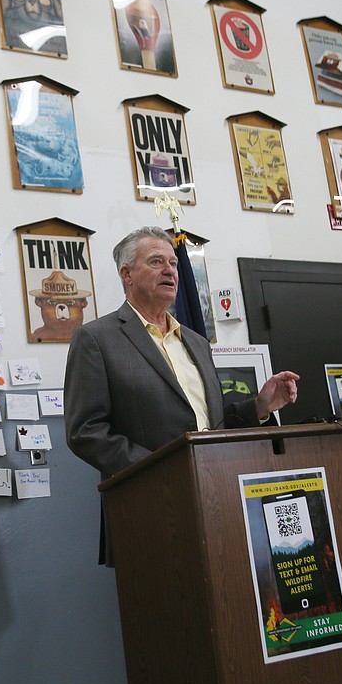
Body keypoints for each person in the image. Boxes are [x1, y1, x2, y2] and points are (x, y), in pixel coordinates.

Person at [64, 227, 299, 562]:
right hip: (150, 510)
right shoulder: (97, 339)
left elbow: (209, 420)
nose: (170, 270)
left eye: (173, 262)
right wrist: (163, 470)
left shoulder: (196, 342)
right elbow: (84, 432)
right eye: (156, 261)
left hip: (218, 499)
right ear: (127, 274)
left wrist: (260, 406)